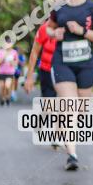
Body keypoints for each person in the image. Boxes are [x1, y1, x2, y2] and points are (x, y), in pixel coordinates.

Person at [46, 0, 93, 170]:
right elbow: (48, 28)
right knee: (69, 107)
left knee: (80, 110)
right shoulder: (59, 7)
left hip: (86, 64)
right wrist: (55, 32)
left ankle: (58, 129)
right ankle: (72, 154)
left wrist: (82, 31)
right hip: (62, 62)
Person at [25, 21, 60, 149]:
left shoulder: (70, 25)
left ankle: (57, 136)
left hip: (65, 71)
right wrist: (29, 77)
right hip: (47, 70)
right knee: (49, 107)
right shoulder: (44, 28)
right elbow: (34, 52)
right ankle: (41, 119)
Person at [0, 41, 20, 106]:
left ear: (12, 45)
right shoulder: (1, 52)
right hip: (1, 72)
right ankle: (3, 98)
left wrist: (12, 62)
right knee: (2, 87)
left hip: (10, 72)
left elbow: (16, 63)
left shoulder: (14, 52)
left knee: (7, 86)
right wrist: (3, 57)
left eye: (10, 44)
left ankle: (8, 97)